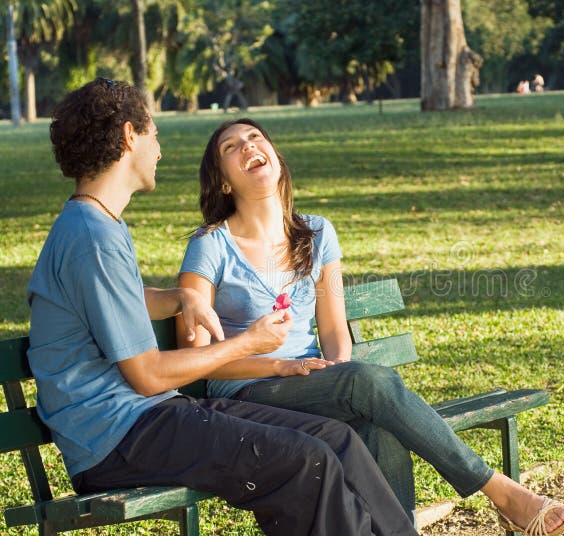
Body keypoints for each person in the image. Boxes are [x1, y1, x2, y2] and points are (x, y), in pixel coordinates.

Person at [27, 79, 417, 536]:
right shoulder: (91, 235)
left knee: (335, 439)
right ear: (130, 136)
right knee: (304, 461)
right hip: (116, 438)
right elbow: (147, 375)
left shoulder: (97, 224)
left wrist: (183, 297)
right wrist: (248, 343)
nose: (159, 149)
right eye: (154, 134)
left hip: (150, 418)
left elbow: (124, 298)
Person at [177, 118, 564, 536]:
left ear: (275, 157)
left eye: (255, 137)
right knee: (368, 384)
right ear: (223, 182)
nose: (247, 146)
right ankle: (500, 490)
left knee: (377, 429)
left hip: (313, 383)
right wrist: (279, 367)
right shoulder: (210, 245)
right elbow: (197, 362)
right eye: (231, 147)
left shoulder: (316, 234)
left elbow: (334, 330)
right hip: (249, 391)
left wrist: (336, 369)